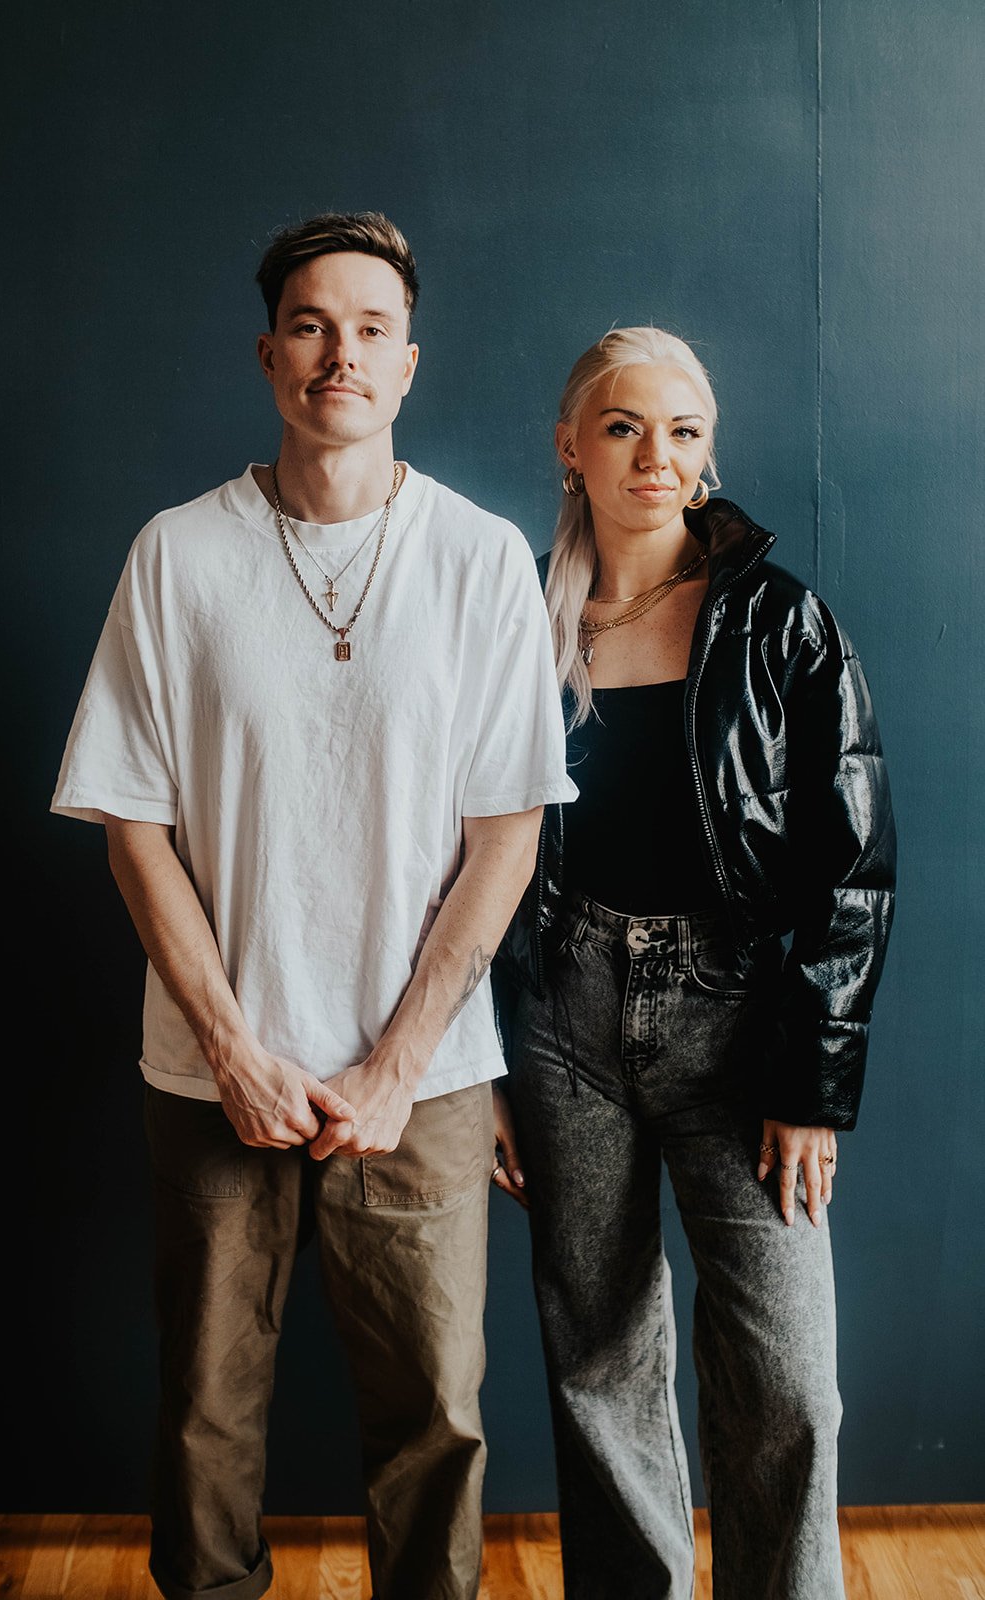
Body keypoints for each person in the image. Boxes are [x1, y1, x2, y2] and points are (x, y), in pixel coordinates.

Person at [51, 210, 577, 1600]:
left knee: (435, 1416)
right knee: (205, 1413)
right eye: (309, 325)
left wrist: (398, 1064)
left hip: (424, 1078)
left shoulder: (478, 558)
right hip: (211, 1069)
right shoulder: (176, 555)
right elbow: (131, 824)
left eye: (370, 329)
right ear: (267, 355)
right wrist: (231, 1046)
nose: (339, 353)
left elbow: (506, 835)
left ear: (409, 363)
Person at [491, 327, 895, 1600]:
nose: (653, 455)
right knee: (598, 1364)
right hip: (560, 1019)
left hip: (737, 1021)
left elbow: (854, 863)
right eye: (622, 427)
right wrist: (481, 1059)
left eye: (680, 431)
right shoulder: (511, 620)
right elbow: (462, 857)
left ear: (707, 451)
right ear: (571, 448)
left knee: (787, 1381)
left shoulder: (780, 621)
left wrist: (811, 1086)